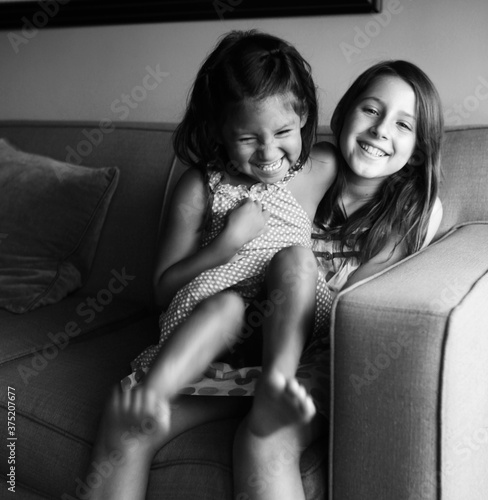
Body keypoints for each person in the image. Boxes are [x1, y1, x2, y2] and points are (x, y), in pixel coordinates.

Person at [85, 30, 337, 500]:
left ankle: (276, 388)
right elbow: (163, 289)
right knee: (225, 309)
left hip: (285, 336)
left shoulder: (321, 166)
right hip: (212, 350)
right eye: (247, 137)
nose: (267, 153)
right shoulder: (200, 186)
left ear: (302, 117)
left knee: (297, 260)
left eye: (283, 132)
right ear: (220, 129)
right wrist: (225, 245)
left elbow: (383, 162)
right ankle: (150, 399)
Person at [313, 60, 443, 298]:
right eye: (371, 110)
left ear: (416, 153)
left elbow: (359, 297)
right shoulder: (313, 169)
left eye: (403, 124)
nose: (381, 129)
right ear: (343, 115)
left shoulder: (414, 207)